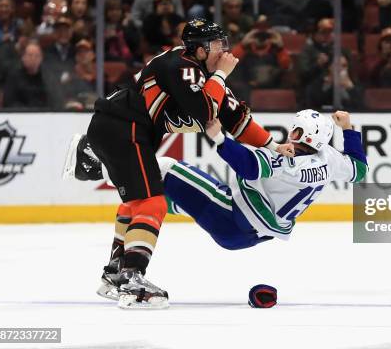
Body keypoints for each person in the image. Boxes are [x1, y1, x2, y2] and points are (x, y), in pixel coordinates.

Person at [63, 19, 295, 309]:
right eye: (215, 44)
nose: (223, 50)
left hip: (122, 130)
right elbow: (205, 109)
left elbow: (236, 119)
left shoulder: (207, 76)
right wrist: (222, 74)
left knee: (135, 205)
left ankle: (115, 274)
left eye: (223, 43)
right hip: (124, 129)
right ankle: (133, 279)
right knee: (153, 203)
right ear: (198, 49)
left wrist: (274, 146)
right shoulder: (181, 66)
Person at [66, 110, 367, 301]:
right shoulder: (330, 160)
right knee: (149, 198)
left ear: (307, 135)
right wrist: (350, 129)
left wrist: (219, 138)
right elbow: (360, 169)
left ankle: (93, 166)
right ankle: (116, 272)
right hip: (247, 235)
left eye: (297, 131)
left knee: (163, 168)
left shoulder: (289, 161)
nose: (291, 136)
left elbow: (250, 167)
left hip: (231, 213)